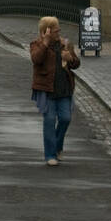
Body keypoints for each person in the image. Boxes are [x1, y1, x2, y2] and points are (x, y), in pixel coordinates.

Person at [29, 16, 81, 166]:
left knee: (65, 118)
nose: (59, 30)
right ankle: (50, 154)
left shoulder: (65, 44)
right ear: (47, 31)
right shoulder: (36, 44)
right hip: (47, 90)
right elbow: (36, 60)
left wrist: (70, 58)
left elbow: (76, 64)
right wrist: (45, 43)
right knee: (50, 120)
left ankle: (57, 147)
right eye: (55, 28)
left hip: (64, 89)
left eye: (58, 27)